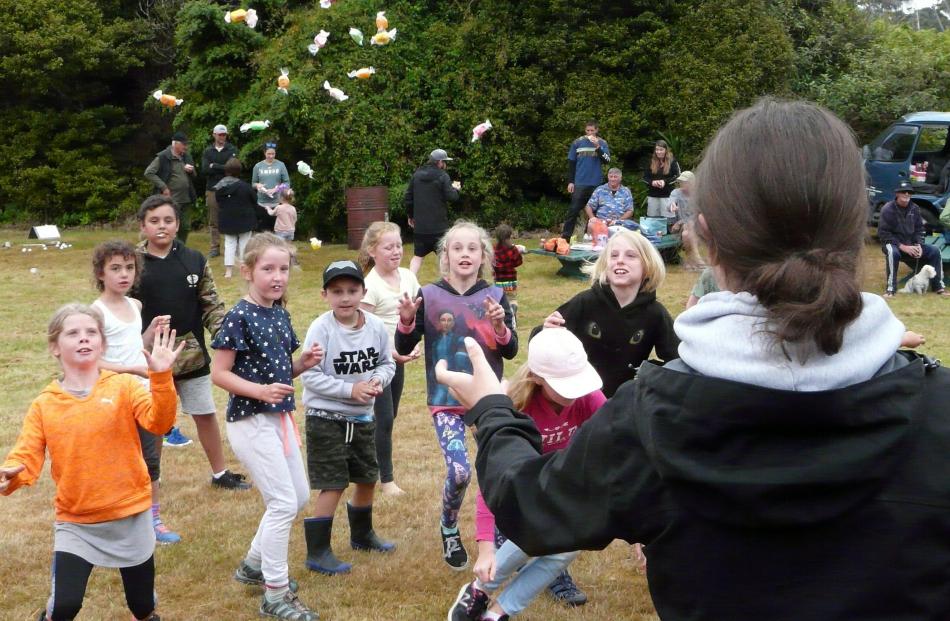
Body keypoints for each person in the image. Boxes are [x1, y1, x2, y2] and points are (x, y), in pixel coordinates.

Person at [437, 98, 950, 621]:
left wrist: (494, 410)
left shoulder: (652, 417)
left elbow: (533, 508)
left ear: (705, 238)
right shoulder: (939, 407)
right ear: (855, 229)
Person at [0, 304, 182, 621]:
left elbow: (160, 423)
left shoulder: (123, 386)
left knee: (142, 606)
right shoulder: (45, 403)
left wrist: (162, 377)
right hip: (76, 522)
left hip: (130, 516)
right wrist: (12, 474)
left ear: (102, 343)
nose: (83, 339)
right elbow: (26, 453)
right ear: (55, 346)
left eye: (91, 332)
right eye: (73, 333)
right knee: (65, 607)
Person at [449, 328, 605, 621]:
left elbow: (616, 438)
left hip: (564, 484)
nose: (576, 390)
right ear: (537, 378)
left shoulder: (588, 398)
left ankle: (498, 613)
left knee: (567, 547)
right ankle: (480, 590)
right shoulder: (516, 406)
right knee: (530, 535)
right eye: (564, 384)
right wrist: (486, 547)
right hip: (523, 487)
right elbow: (492, 480)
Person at [210, 233, 322, 621]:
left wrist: (302, 363)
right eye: (268, 268)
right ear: (248, 271)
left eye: (283, 269)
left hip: (278, 419)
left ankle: (254, 565)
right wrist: (258, 391)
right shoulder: (238, 316)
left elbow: (279, 372)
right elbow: (219, 373)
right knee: (282, 503)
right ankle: (274, 593)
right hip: (250, 421)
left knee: (300, 495)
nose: (277, 276)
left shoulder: (279, 313)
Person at [395, 221, 518, 571]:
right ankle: (449, 526)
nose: (464, 254)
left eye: (472, 248)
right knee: (461, 471)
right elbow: (402, 345)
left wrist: (500, 328)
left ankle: (494, 533)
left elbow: (510, 351)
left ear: (483, 256)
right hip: (445, 400)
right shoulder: (429, 295)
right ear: (445, 256)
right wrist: (406, 321)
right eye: (457, 248)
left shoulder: (494, 296)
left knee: (496, 471)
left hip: (487, 402)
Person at [132, 194, 250, 489]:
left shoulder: (194, 259)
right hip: (149, 358)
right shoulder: (131, 262)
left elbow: (210, 303)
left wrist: (226, 339)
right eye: (154, 221)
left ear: (178, 224)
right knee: (154, 421)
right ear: (142, 226)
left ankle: (220, 473)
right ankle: (151, 479)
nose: (162, 227)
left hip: (192, 354)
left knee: (205, 413)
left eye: (168, 221)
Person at [299, 260, 397, 575]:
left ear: (363, 292)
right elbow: (310, 377)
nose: (345, 298)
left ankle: (363, 534)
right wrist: (349, 390)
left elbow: (387, 363)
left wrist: (376, 382)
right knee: (334, 482)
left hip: (362, 418)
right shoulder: (321, 328)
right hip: (325, 417)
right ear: (324, 295)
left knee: (368, 475)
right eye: (337, 291)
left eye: (352, 290)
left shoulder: (376, 327)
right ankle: (318, 551)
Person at [92, 240, 180, 545]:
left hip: (141, 394)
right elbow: (93, 360)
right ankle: (113, 517)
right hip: (112, 396)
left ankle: (153, 519)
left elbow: (134, 346)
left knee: (149, 461)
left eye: (129, 267)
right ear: (100, 273)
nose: (123, 274)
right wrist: (129, 371)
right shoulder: (96, 312)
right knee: (116, 460)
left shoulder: (135, 305)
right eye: (115, 268)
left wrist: (150, 331)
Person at [543, 228, 679, 398]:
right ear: (605, 264)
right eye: (614, 256)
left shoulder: (655, 314)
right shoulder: (585, 302)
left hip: (626, 403)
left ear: (647, 266)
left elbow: (677, 361)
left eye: (631, 255)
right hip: (582, 399)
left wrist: (649, 375)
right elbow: (542, 343)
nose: (620, 261)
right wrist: (546, 332)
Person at [358, 222, 422, 497]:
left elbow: (416, 317)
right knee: (383, 419)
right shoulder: (369, 285)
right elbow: (363, 329)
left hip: (399, 357)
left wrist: (413, 344)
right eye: (388, 247)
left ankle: (366, 459)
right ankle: (386, 481)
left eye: (398, 245)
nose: (396, 251)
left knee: (389, 416)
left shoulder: (408, 277)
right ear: (372, 251)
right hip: (376, 362)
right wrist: (390, 354)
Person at [878, 180, 947, 297]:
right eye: (903, 192)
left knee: (935, 251)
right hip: (894, 245)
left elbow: (920, 229)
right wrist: (902, 247)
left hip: (911, 245)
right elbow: (883, 234)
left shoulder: (914, 208)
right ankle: (890, 289)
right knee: (892, 252)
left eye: (909, 192)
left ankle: (938, 287)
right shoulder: (887, 209)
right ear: (897, 194)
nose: (906, 194)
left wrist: (919, 244)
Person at [404, 148, 461, 274]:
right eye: (445, 162)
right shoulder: (443, 176)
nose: (445, 165)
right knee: (443, 255)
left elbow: (408, 197)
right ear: (439, 162)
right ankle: (445, 285)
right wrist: (456, 189)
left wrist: (410, 216)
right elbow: (452, 197)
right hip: (439, 228)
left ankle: (408, 283)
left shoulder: (417, 175)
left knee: (418, 257)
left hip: (421, 227)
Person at [144, 131, 197, 244]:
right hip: (171, 199)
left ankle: (180, 247)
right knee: (171, 226)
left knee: (185, 226)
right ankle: (171, 247)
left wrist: (191, 171)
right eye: (184, 144)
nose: (186, 147)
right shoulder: (163, 157)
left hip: (186, 197)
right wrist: (163, 187)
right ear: (175, 144)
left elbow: (194, 176)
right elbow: (149, 173)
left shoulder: (186, 157)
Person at [561, 121, 611, 242]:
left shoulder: (603, 143)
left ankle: (589, 238)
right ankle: (565, 238)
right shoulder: (577, 142)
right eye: (587, 131)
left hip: (596, 183)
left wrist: (598, 148)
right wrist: (570, 181)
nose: (589, 133)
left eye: (592, 131)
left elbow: (607, 160)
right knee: (573, 210)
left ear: (596, 130)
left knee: (594, 213)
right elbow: (571, 163)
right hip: (579, 182)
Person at [214, 157, 258, 279]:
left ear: (226, 170)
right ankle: (245, 269)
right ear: (239, 171)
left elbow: (219, 202)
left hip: (228, 220)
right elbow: (255, 200)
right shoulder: (245, 187)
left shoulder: (219, 187)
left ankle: (228, 271)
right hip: (245, 220)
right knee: (245, 244)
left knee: (229, 244)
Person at [201, 124, 239, 258]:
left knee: (232, 218)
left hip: (229, 188)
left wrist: (215, 166)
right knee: (214, 221)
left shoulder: (232, 149)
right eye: (220, 134)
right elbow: (205, 170)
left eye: (224, 135)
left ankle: (233, 247)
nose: (222, 137)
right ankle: (215, 248)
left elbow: (233, 168)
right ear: (214, 135)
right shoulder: (207, 151)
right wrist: (223, 167)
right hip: (212, 189)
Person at [252, 142, 290, 232]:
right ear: (264, 153)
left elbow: (287, 183)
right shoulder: (258, 166)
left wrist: (276, 189)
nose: (271, 156)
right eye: (269, 154)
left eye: (273, 154)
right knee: (263, 231)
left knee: (276, 231)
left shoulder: (281, 165)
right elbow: (253, 183)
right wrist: (258, 185)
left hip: (277, 203)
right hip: (262, 203)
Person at [492, 224, 525, 328]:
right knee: (512, 299)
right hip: (511, 281)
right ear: (508, 237)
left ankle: (504, 318)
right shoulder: (513, 249)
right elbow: (518, 262)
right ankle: (513, 312)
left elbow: (492, 264)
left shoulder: (494, 250)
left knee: (500, 300)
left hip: (498, 281)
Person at [670, 170, 703, 269]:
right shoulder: (676, 192)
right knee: (687, 226)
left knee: (687, 229)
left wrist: (680, 222)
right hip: (680, 228)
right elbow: (671, 202)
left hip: (695, 227)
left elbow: (698, 214)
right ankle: (697, 258)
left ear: (691, 183)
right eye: (681, 181)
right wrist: (672, 206)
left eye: (684, 182)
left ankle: (689, 260)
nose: (682, 184)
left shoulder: (698, 195)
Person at [642, 139, 681, 218]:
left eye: (661, 150)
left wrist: (664, 182)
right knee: (653, 221)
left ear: (666, 150)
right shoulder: (650, 161)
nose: (658, 152)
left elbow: (678, 177)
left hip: (667, 196)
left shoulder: (673, 161)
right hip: (653, 196)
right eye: (657, 150)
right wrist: (652, 182)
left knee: (668, 221)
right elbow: (644, 178)